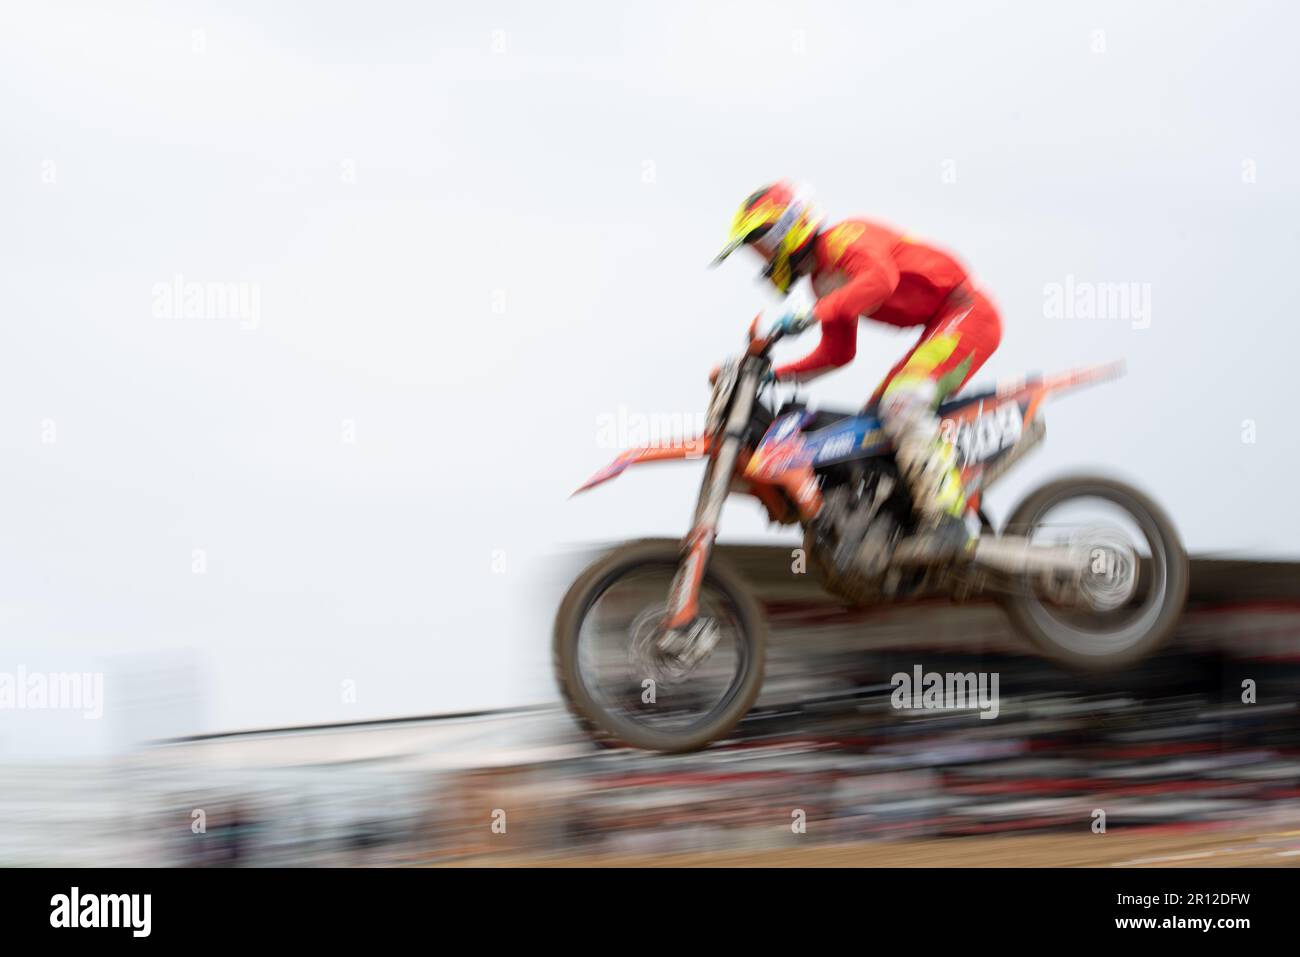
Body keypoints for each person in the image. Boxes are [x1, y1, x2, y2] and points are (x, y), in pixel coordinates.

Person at [712, 180, 1002, 560]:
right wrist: (778, 375)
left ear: (789, 228)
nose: (763, 258)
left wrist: (814, 314)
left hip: (966, 312)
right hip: (938, 327)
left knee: (902, 404)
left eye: (763, 244)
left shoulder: (843, 238)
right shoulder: (822, 282)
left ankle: (948, 520)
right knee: (869, 425)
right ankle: (904, 520)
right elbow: (838, 353)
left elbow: (881, 281)